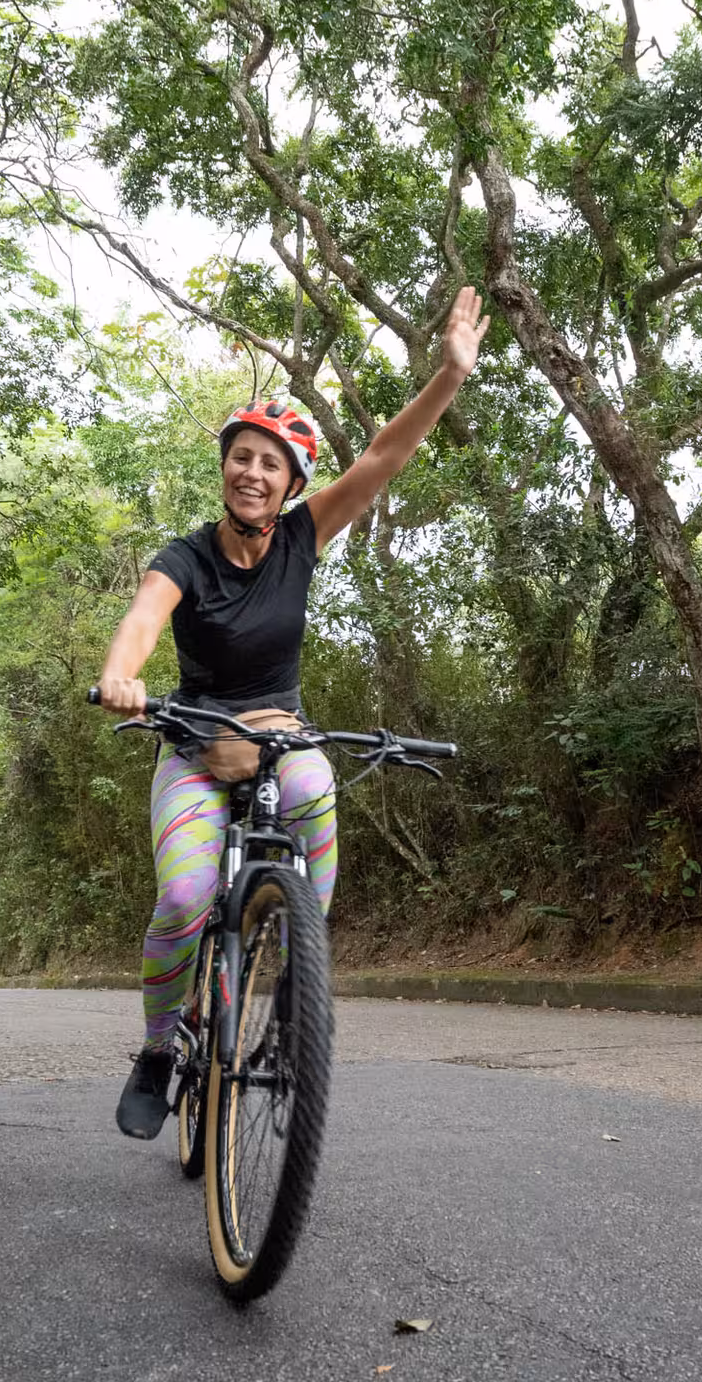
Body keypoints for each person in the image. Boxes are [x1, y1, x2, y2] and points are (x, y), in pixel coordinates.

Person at [96, 283, 490, 1138]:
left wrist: (449, 377)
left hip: (283, 737)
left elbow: (384, 457)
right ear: (226, 467)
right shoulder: (187, 555)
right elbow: (141, 619)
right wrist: (122, 677)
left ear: (291, 483)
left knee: (316, 816)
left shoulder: (306, 537)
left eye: (272, 462)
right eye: (243, 455)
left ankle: (291, 991)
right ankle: (162, 1047)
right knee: (187, 896)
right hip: (196, 745)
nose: (253, 470)